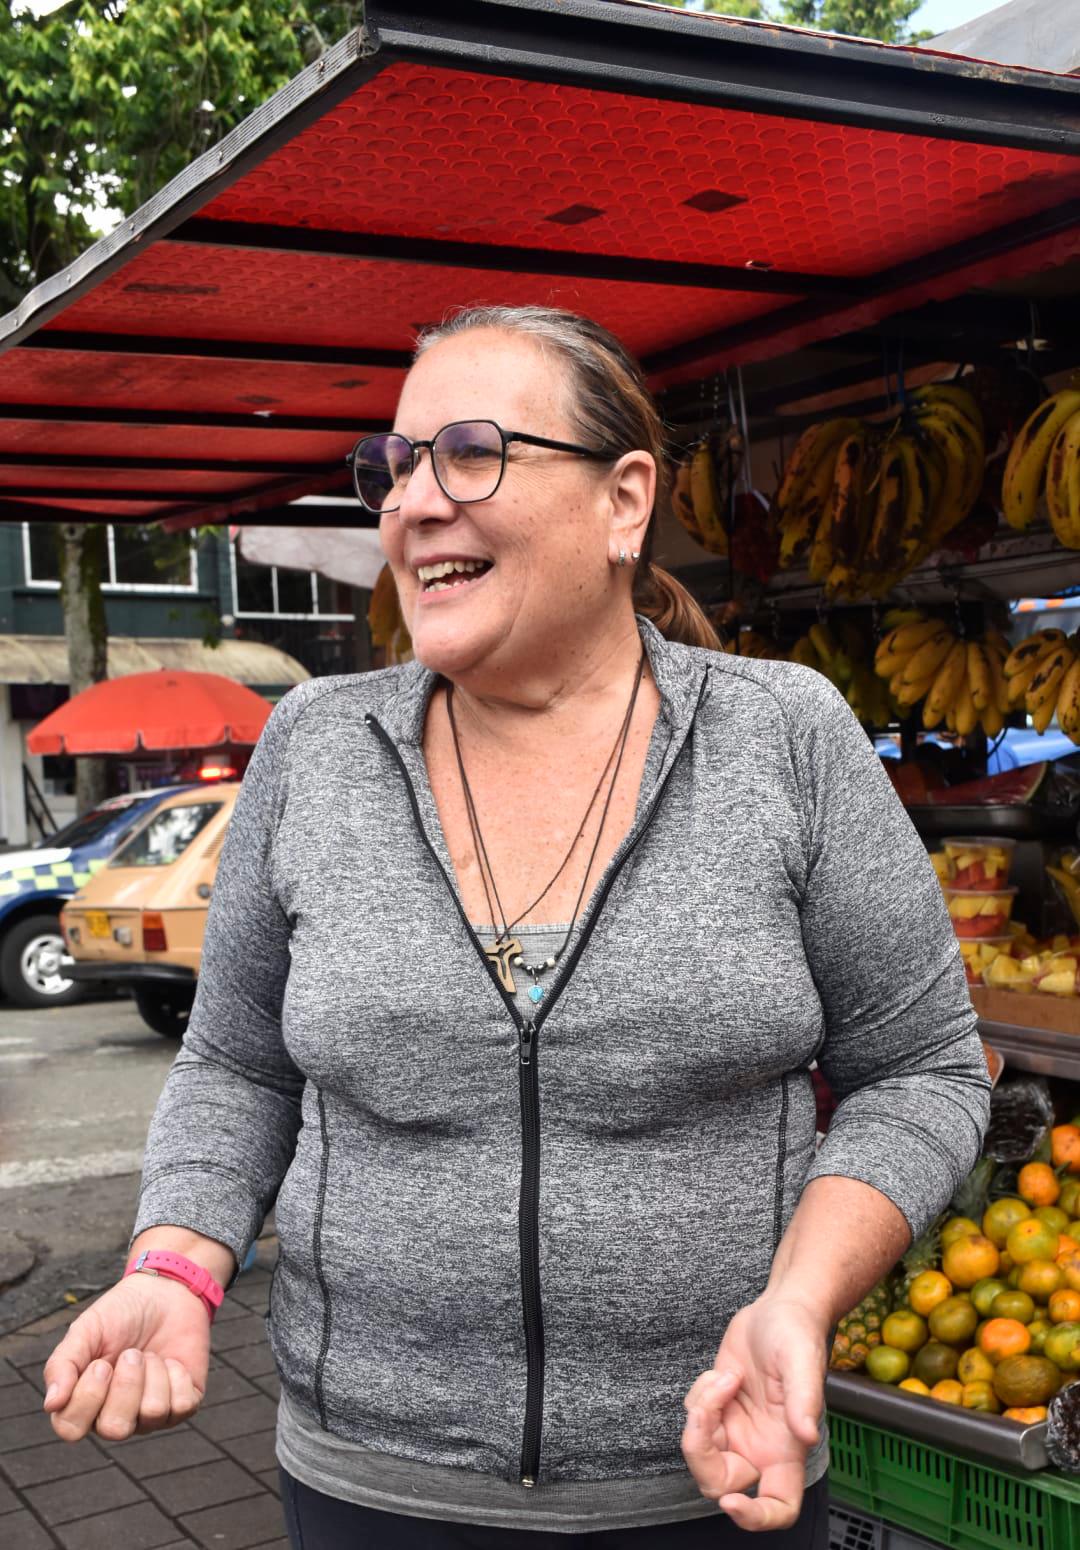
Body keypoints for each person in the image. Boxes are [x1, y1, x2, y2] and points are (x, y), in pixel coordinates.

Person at [42, 305, 990, 1547]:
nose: (414, 503)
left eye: (470, 451)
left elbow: (920, 1069)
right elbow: (238, 1060)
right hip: (373, 1483)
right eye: (393, 466)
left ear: (624, 500)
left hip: (714, 1469)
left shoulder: (784, 738)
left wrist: (799, 1302)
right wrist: (176, 1261)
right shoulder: (316, 746)